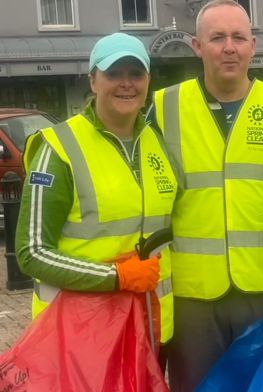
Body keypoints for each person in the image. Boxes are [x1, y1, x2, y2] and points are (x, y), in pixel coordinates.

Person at [148, 1, 263, 390]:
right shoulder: (163, 107)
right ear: (196, 46)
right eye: (217, 37)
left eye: (238, 37)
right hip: (192, 298)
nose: (229, 47)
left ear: (253, 45)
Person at [16, 32, 176, 364]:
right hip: (81, 333)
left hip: (150, 328)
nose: (126, 84)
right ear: (93, 81)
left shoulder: (157, 142)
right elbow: (30, 252)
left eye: (136, 74)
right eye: (113, 74)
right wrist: (117, 277)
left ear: (148, 81)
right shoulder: (59, 148)